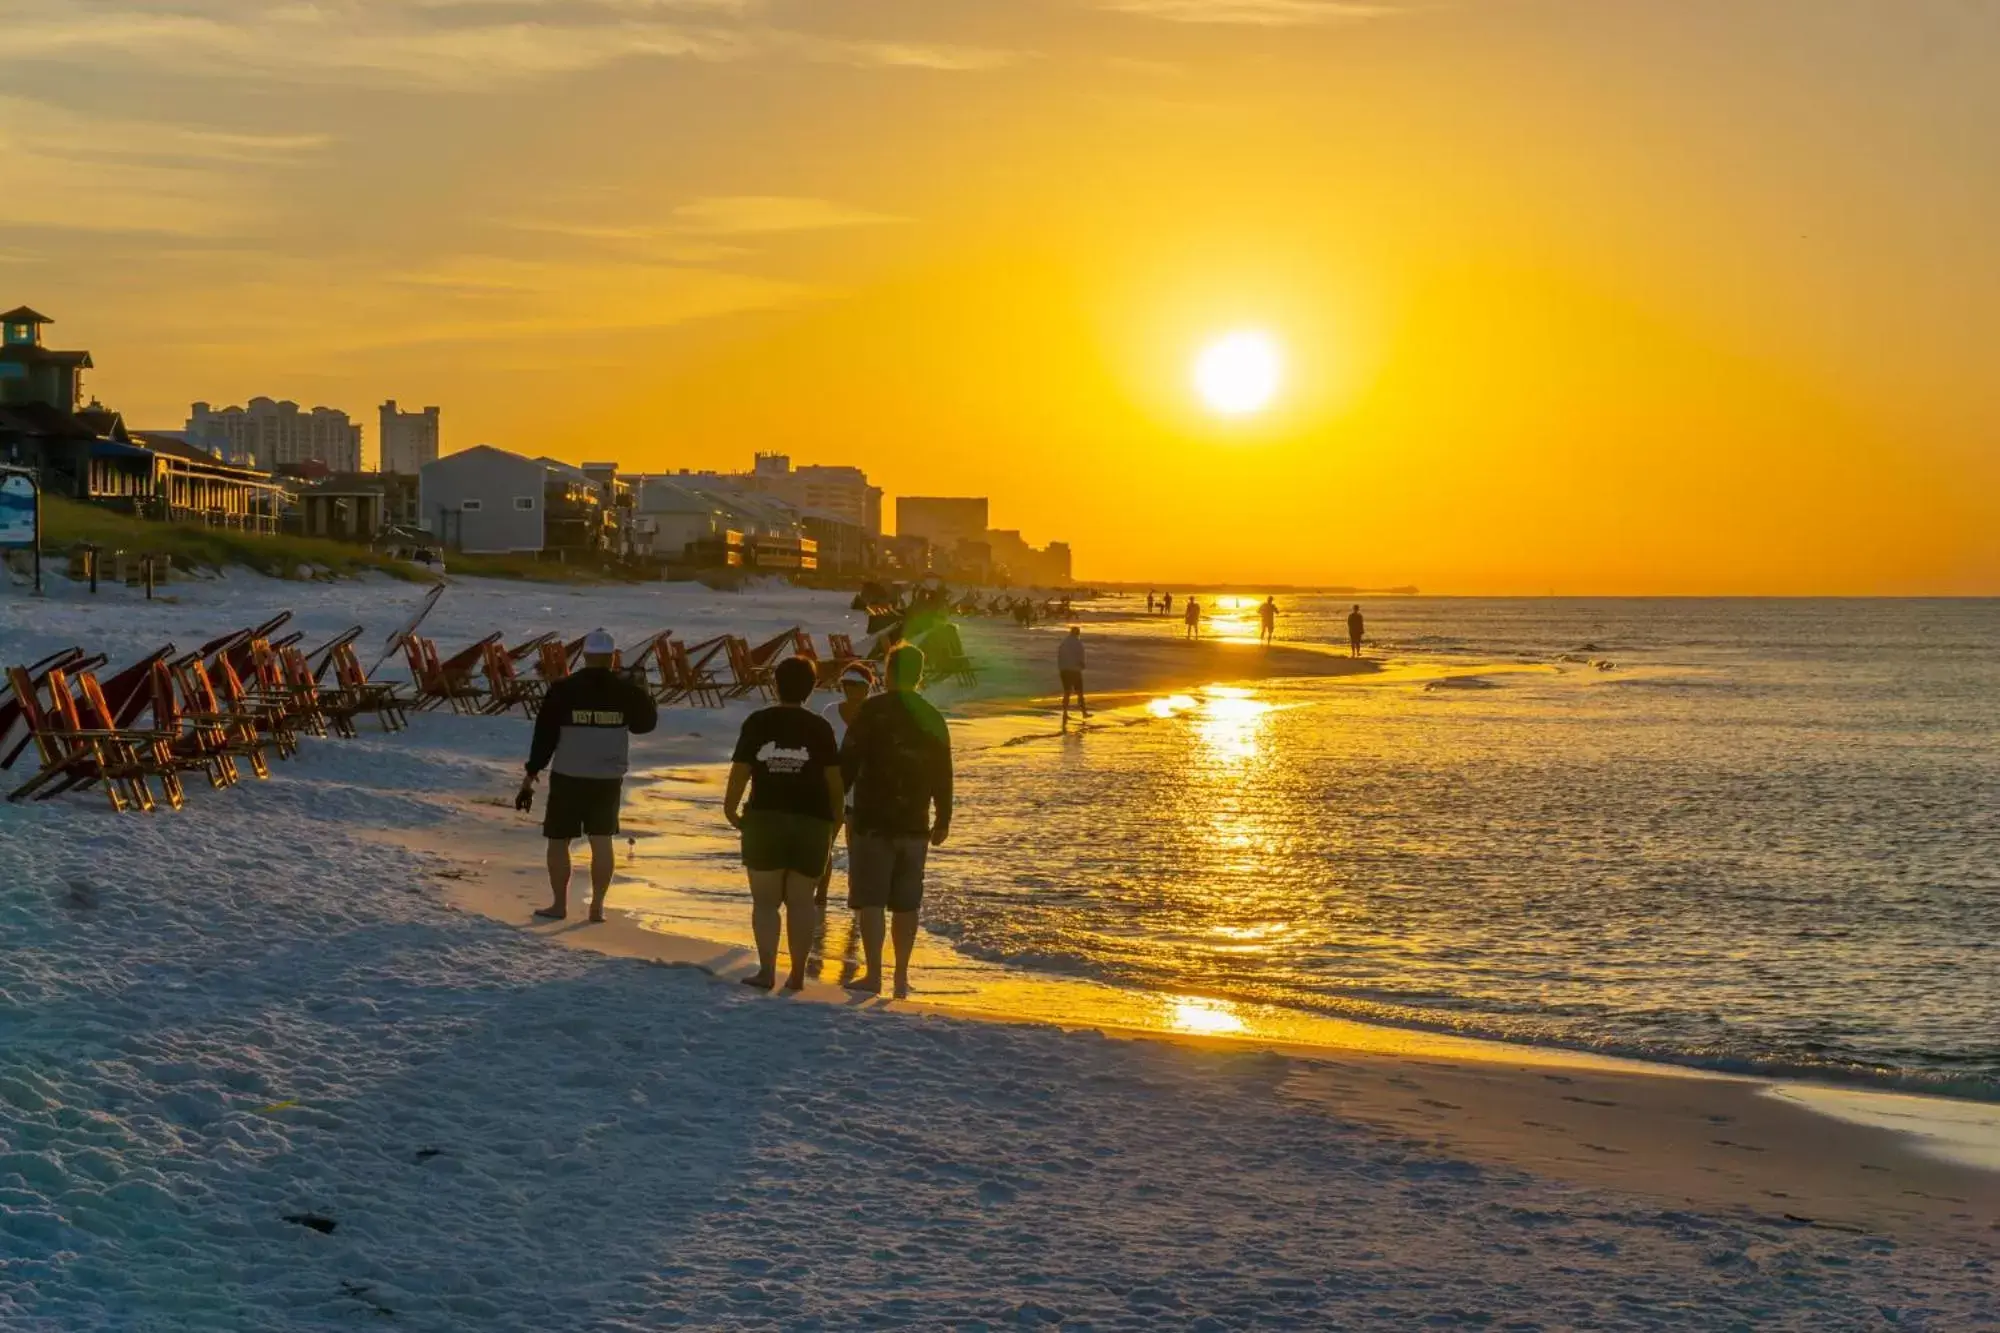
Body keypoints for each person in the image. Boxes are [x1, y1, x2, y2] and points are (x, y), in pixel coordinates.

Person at [517, 628, 659, 923]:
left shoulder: (563, 689)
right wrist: (646, 694)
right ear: (611, 658)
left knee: (558, 840)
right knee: (601, 840)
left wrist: (531, 775)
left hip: (568, 773)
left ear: (585, 656)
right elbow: (644, 725)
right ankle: (597, 906)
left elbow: (544, 736)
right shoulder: (626, 690)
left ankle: (559, 905)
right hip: (607, 777)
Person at [724, 657, 844, 991]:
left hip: (766, 817)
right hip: (812, 821)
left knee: (765, 903)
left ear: (775, 685)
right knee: (802, 901)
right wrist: (834, 827)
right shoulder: (820, 728)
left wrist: (731, 809)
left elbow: (741, 771)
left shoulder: (758, 721)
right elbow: (834, 783)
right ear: (812, 688)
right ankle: (796, 975)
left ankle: (766, 971)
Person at [840, 643, 953, 999]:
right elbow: (943, 772)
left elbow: (847, 763)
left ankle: (874, 974)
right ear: (919, 676)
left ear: (887, 673)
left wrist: (833, 807)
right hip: (915, 822)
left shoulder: (871, 711)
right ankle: (900, 977)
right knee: (907, 902)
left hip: (871, 820)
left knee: (871, 900)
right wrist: (943, 818)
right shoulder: (931, 715)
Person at [817, 662, 875, 907]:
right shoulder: (830, 712)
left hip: (864, 793)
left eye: (857, 685)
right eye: (847, 685)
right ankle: (820, 895)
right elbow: (819, 750)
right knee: (824, 844)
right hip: (833, 789)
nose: (852, 690)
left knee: (858, 849)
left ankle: (856, 896)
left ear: (867, 687)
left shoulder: (875, 714)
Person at [1057, 625, 1088, 726]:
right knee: (1079, 692)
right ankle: (1084, 713)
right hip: (1074, 670)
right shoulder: (1078, 643)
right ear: (1077, 633)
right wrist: (1082, 665)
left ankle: (1065, 713)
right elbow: (1081, 656)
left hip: (1064, 670)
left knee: (1067, 692)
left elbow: (1059, 656)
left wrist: (1062, 667)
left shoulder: (1064, 642)